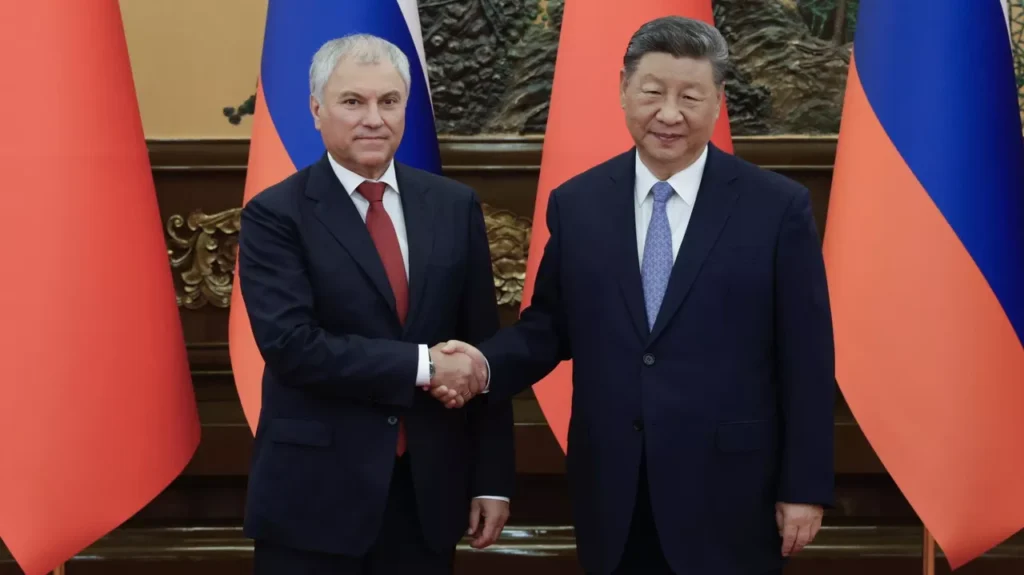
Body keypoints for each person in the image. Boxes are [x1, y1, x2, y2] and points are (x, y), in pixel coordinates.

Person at [433, 16, 835, 575]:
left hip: (731, 494)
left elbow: (807, 357)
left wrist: (804, 487)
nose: (669, 114)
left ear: (718, 101)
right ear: (624, 90)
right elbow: (548, 328)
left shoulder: (776, 208)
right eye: (652, 92)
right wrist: (480, 363)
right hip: (614, 489)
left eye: (690, 97)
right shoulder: (578, 204)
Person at [237, 34, 515, 574]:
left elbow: (481, 346)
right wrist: (425, 365)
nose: (373, 119)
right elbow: (292, 346)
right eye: (352, 101)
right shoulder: (275, 215)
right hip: (315, 499)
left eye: (389, 101)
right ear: (316, 109)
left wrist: (492, 479)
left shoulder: (453, 205)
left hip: (427, 496)